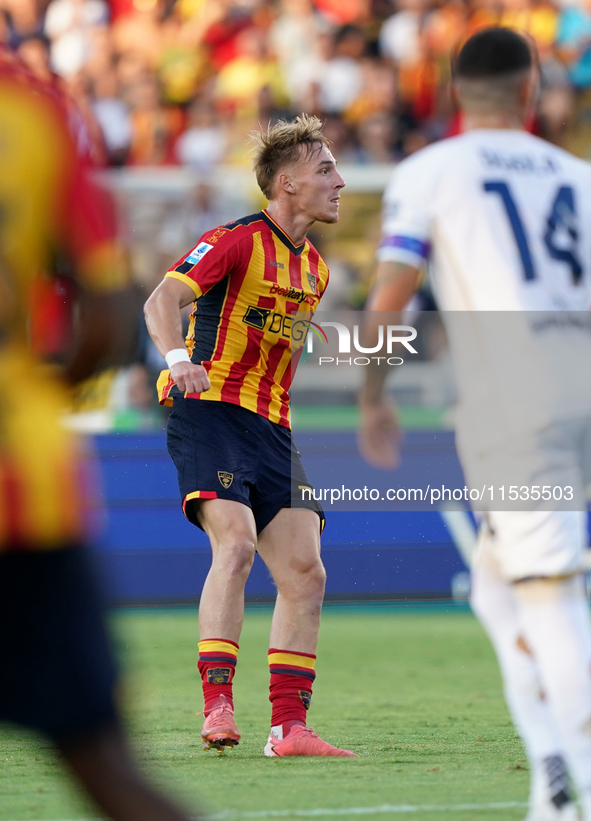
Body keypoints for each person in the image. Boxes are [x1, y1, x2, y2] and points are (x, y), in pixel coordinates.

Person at [358, 27, 591, 821]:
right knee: (498, 587)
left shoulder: (431, 171)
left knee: (549, 592)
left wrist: (370, 395)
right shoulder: (577, 176)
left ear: (454, 93)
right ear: (531, 93)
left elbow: (392, 294)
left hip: (512, 404)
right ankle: (552, 786)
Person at [0, 49, 201, 821]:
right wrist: (34, 388)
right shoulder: (31, 105)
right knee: (105, 768)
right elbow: (112, 312)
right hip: (21, 477)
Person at [144, 114, 355, 758]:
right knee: (233, 547)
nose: (339, 181)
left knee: (305, 572)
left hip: (272, 427)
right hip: (209, 411)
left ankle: (289, 728)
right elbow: (159, 300)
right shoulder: (233, 239)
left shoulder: (314, 270)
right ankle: (217, 707)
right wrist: (178, 359)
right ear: (286, 183)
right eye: (325, 171)